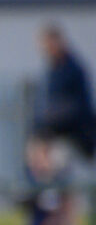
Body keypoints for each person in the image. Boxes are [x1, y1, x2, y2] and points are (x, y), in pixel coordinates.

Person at [34, 23, 96, 164]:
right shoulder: (53, 70)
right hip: (59, 136)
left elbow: (72, 107)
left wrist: (44, 130)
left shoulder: (71, 70)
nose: (45, 48)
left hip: (76, 138)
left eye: (48, 44)